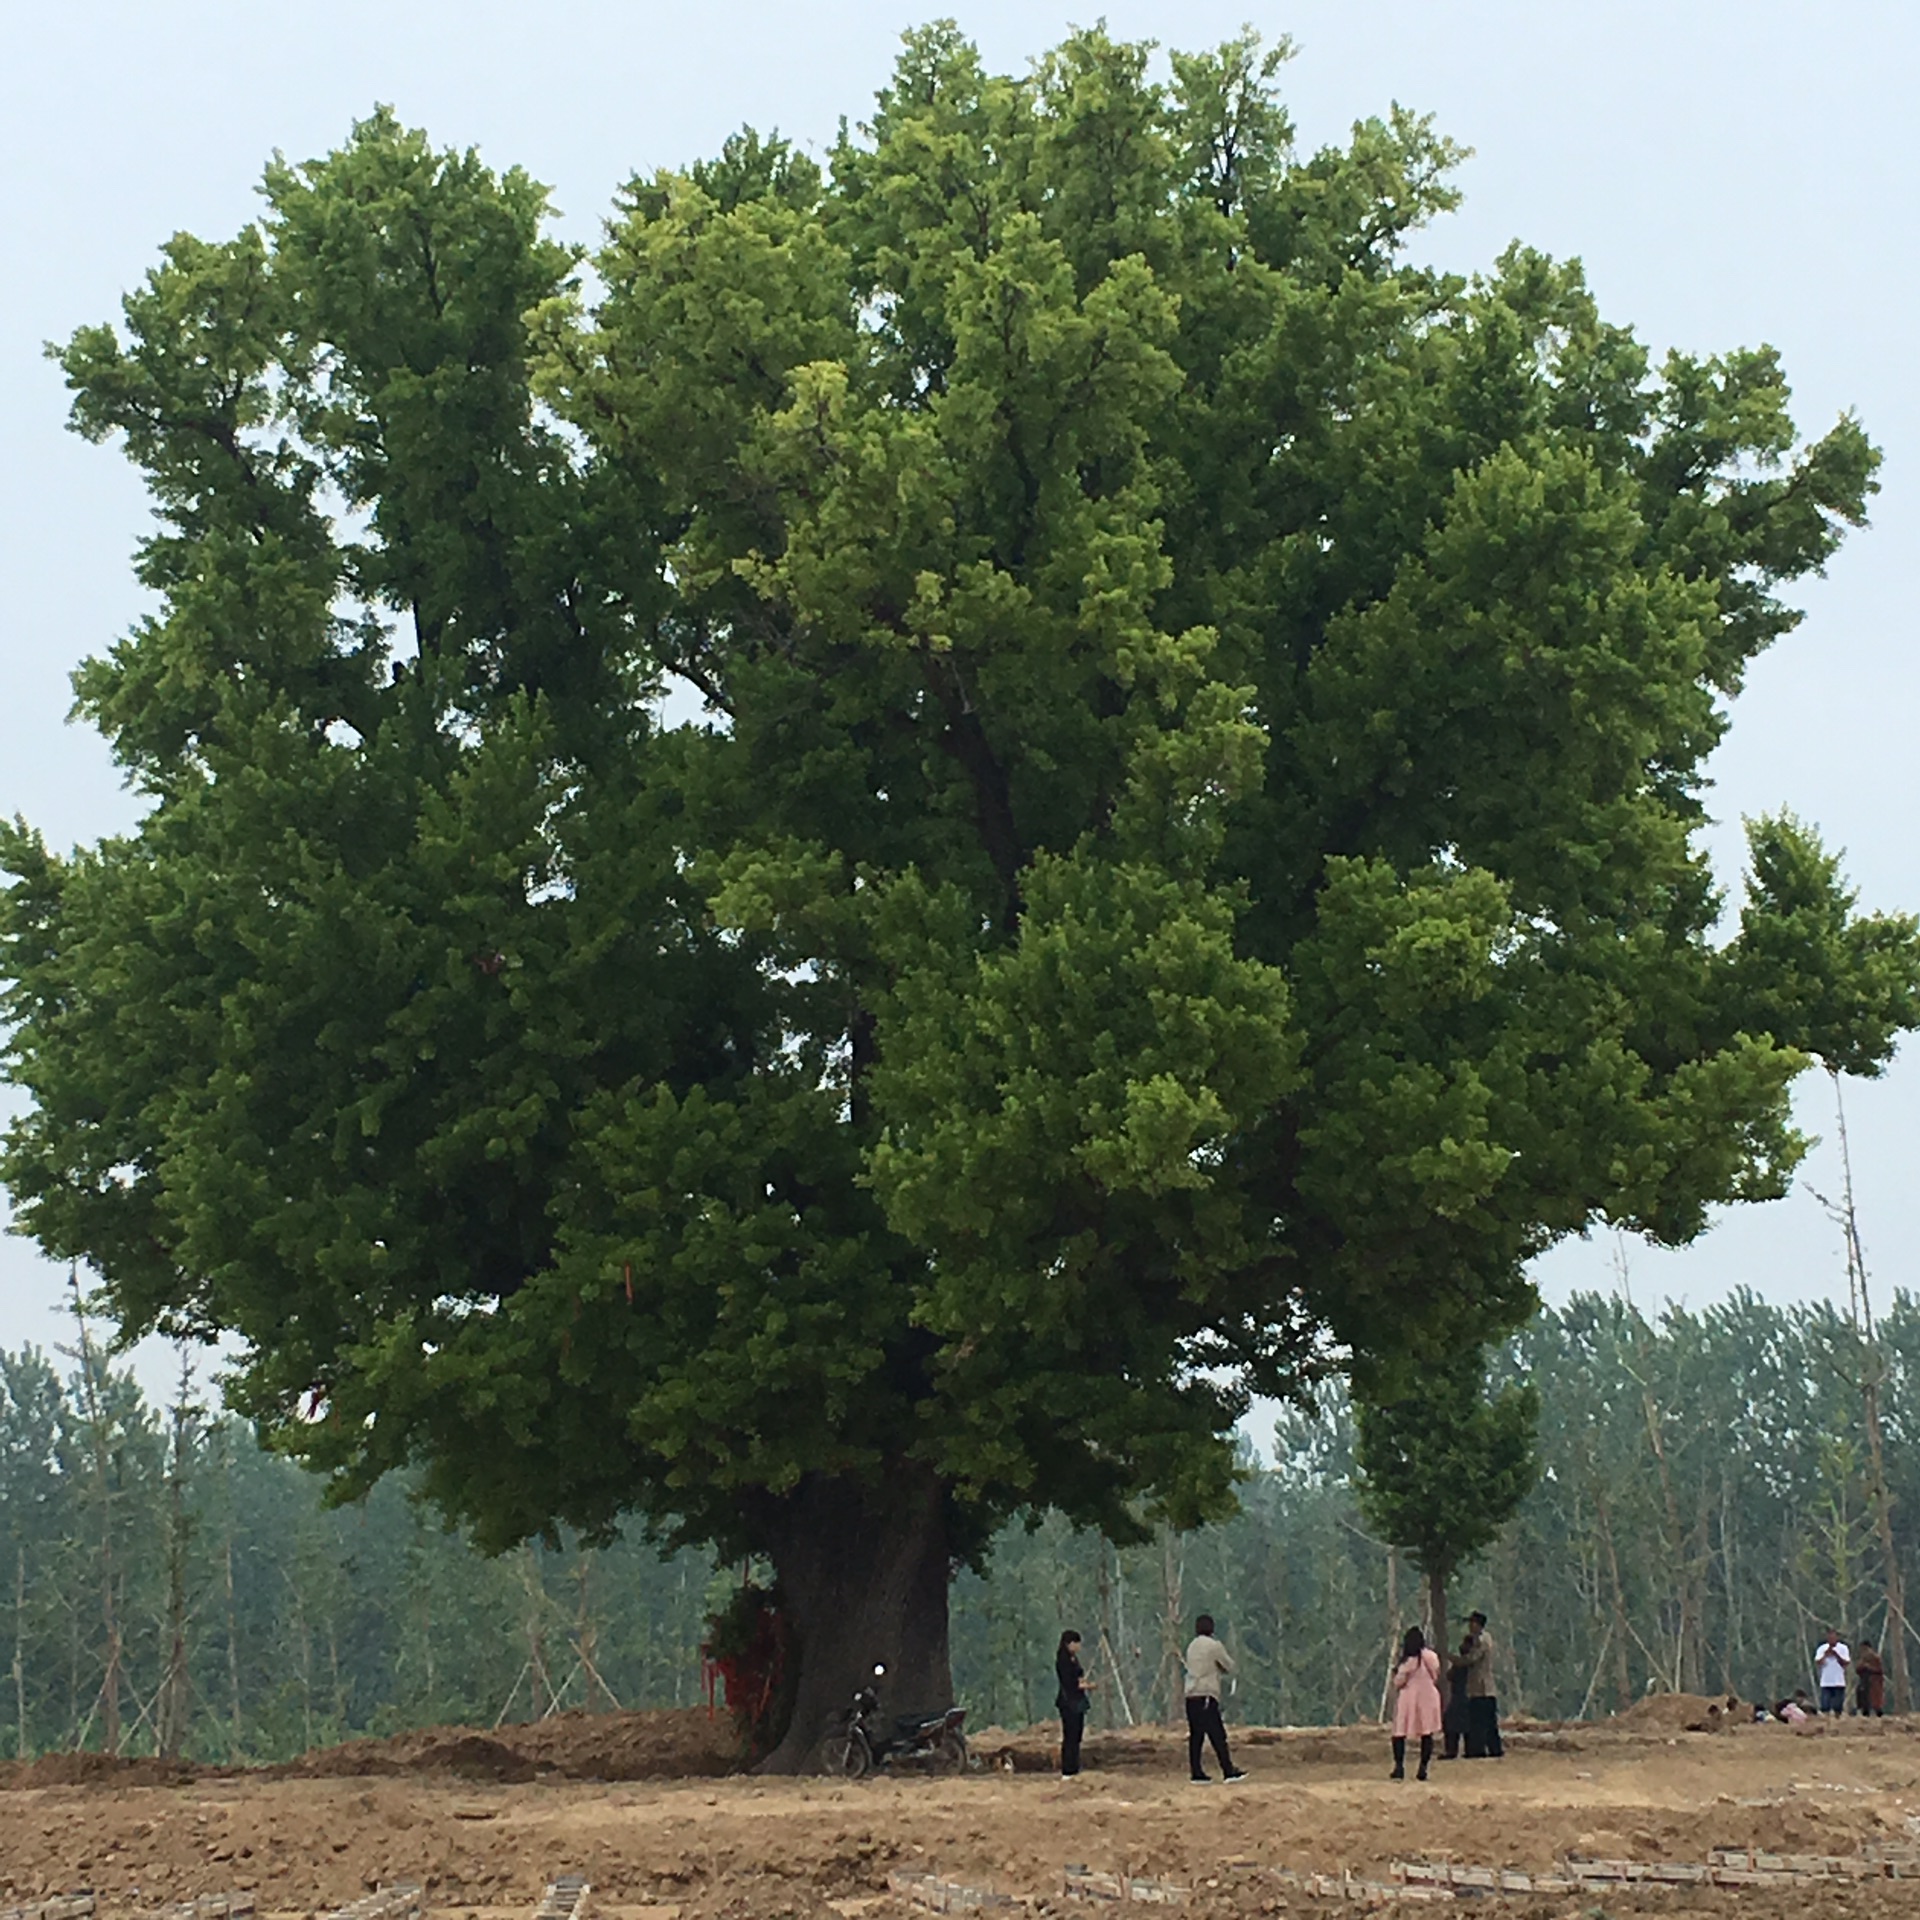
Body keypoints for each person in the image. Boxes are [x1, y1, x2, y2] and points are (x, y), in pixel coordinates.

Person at [1182, 1613, 1247, 1782]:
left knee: (1196, 1735)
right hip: (1206, 1695)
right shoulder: (1214, 1646)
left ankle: (1196, 1772)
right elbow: (1228, 1665)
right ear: (1212, 1628)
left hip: (1190, 1695)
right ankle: (1228, 1770)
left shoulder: (1191, 1646)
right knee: (1218, 1734)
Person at [1389, 1626, 1443, 1781]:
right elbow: (1436, 1674)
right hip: (1428, 1697)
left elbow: (1399, 1681)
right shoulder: (1431, 1657)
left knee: (1400, 1732)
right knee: (1427, 1733)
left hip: (1409, 1699)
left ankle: (1399, 1767)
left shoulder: (1407, 1661)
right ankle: (1423, 1768)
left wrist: (1396, 1674)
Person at [1460, 1611, 1503, 1758]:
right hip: (1477, 1687)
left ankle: (1482, 1750)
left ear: (1478, 1625)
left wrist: (1454, 1659)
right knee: (1482, 1721)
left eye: (1472, 1623)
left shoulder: (1483, 1640)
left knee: (1481, 1721)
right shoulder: (1480, 1639)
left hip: (1483, 1689)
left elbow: (1472, 1659)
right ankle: (1486, 1749)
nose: (1470, 1627)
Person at [1056, 1629, 1094, 1777]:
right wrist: (1086, 1686)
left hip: (1076, 1701)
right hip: (1068, 1703)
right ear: (1069, 1644)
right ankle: (1068, 1770)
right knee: (1070, 1736)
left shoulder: (1073, 1659)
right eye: (1077, 1643)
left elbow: (1078, 1678)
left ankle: (1075, 1767)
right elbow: (1070, 1683)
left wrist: (1084, 1682)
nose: (1079, 1646)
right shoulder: (1063, 1661)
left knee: (1077, 1735)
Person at [1441, 1635, 1472, 1760]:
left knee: (1452, 1723)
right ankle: (1463, 1750)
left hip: (1462, 1696)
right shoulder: (1461, 1663)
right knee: (1462, 1724)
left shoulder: (1466, 1663)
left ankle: (1452, 1751)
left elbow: (1450, 1676)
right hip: (1460, 1695)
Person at [1813, 1628, 1851, 1716]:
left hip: (1839, 1681)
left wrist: (1836, 1655)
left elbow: (1846, 1663)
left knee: (1838, 1707)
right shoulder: (1822, 1648)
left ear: (1837, 1637)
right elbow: (1818, 1663)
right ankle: (1826, 1723)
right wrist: (1825, 1655)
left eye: (1833, 1636)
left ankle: (1837, 1722)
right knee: (1825, 1706)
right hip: (1826, 1682)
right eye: (1829, 1637)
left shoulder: (1843, 1648)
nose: (1831, 1639)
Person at [1855, 1639, 1887, 1718]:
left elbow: (1880, 1670)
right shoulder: (1862, 1659)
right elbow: (1857, 1669)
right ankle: (1865, 1712)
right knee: (1863, 1696)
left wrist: (1869, 1667)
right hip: (1864, 1681)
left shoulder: (1876, 1658)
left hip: (1874, 1681)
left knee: (1875, 1700)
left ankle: (1879, 1714)